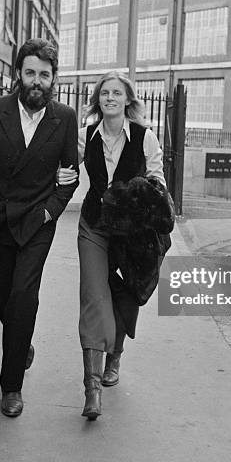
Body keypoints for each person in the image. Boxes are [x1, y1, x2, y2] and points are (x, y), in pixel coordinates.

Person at [0, 38, 79, 417]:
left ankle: (11, 386)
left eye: (45, 75)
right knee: (4, 297)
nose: (37, 81)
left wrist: (52, 211)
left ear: (53, 79)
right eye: (30, 72)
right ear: (18, 74)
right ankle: (21, 341)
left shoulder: (64, 117)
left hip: (37, 224)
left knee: (24, 296)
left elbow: (70, 176)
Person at [58, 71, 171, 421]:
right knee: (94, 295)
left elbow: (158, 182)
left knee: (126, 294)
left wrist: (146, 195)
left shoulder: (144, 136)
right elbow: (64, 171)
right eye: (104, 93)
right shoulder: (84, 137)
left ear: (127, 100)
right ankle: (91, 388)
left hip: (132, 233)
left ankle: (115, 354)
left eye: (116, 93)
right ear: (98, 99)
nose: (110, 98)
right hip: (94, 226)